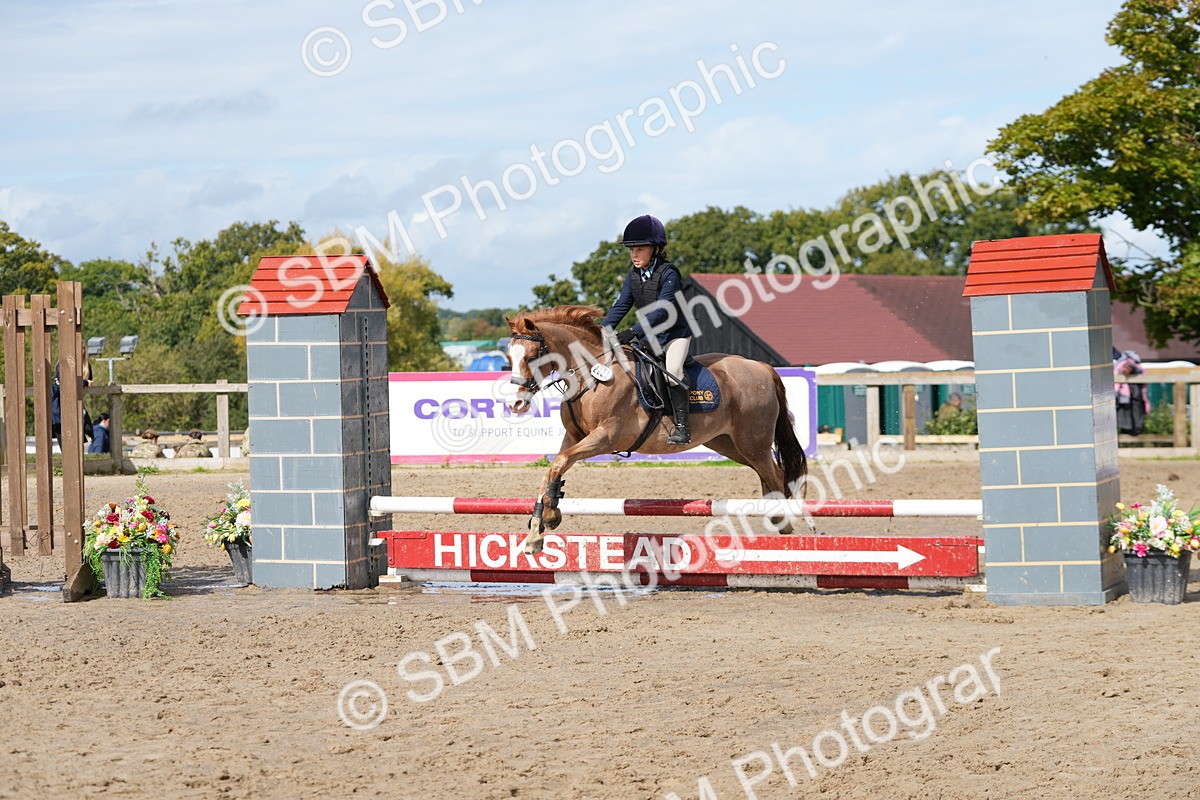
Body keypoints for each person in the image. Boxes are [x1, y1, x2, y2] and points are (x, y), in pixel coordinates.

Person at [601, 215, 694, 444]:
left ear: (655, 249)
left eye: (640, 249)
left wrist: (633, 331)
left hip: (675, 334)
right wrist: (601, 331)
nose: (634, 255)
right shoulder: (633, 275)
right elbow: (621, 305)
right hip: (650, 336)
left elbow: (662, 311)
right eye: (631, 250)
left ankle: (682, 427)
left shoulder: (669, 273)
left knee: (673, 372)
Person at [1115, 351, 1151, 435]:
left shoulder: (1130, 365)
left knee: (1134, 413)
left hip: (1134, 393)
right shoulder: (1126, 365)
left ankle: (1133, 431)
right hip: (1128, 394)